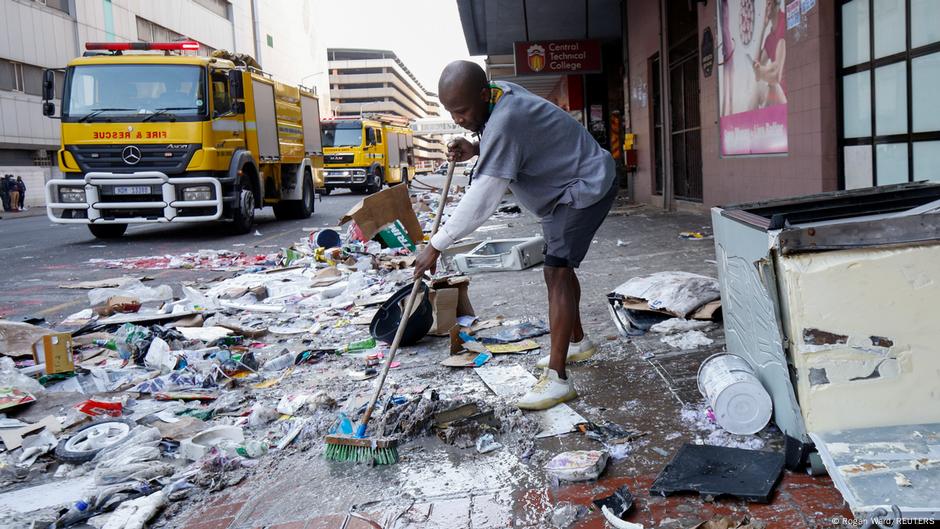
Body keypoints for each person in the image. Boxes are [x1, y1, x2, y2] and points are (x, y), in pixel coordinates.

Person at [414, 61, 617, 411]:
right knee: (559, 268)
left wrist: (436, 245)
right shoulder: (500, 92)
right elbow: (517, 139)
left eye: (462, 111)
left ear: (481, 93)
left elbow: (482, 200)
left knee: (557, 270)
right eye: (451, 113)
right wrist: (477, 149)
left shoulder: (506, 120)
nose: (458, 119)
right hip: (564, 190)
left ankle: (558, 378)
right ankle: (576, 342)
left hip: (585, 186)